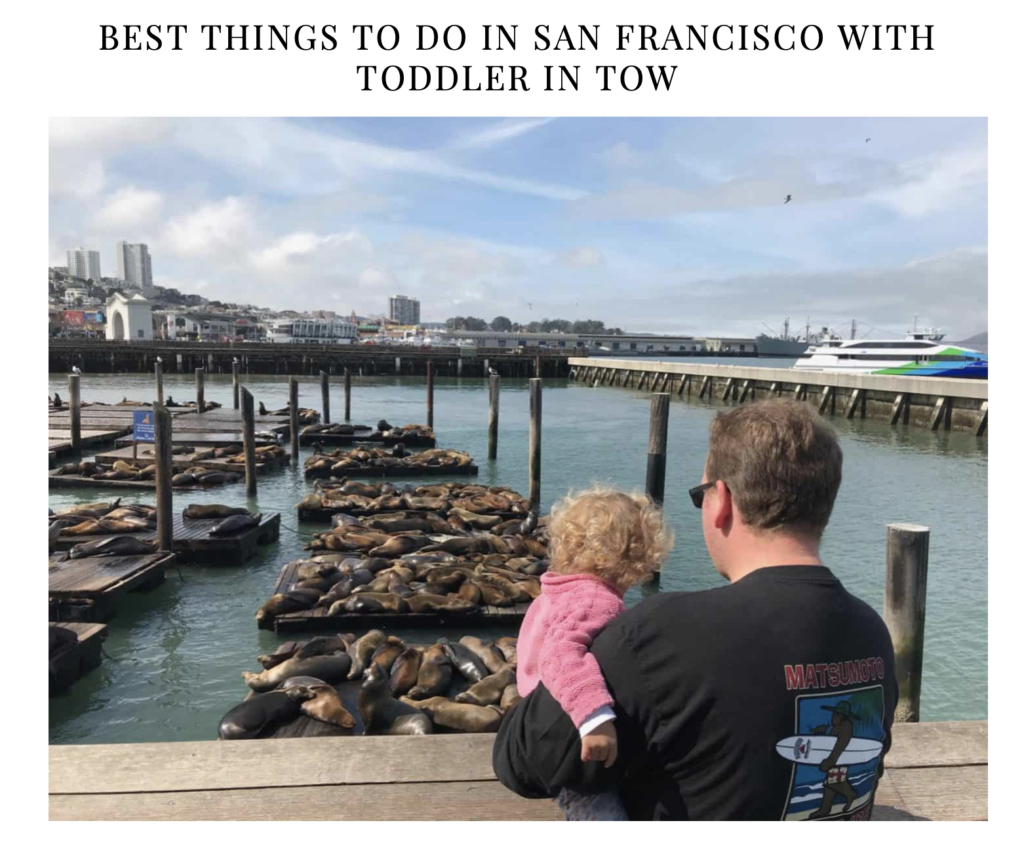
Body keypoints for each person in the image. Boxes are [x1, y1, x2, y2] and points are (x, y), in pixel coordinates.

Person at [493, 399, 898, 820]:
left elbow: (523, 762)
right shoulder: (871, 631)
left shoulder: (657, 633)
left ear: (721, 500)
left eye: (700, 494)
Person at [515, 486, 673, 820]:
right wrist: (594, 718)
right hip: (573, 733)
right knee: (600, 812)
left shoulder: (555, 595)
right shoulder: (594, 600)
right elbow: (559, 656)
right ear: (637, 556)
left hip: (543, 724)